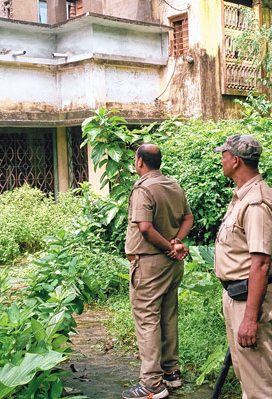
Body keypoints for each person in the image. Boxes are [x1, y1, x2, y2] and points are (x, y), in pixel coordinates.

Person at [121, 143, 194, 399]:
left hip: (150, 264)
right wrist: (176, 243)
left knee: (147, 319)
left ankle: (151, 383)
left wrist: (168, 247)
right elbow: (188, 218)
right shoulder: (173, 185)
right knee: (167, 315)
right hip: (171, 266)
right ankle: (171, 373)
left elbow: (144, 227)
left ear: (140, 161)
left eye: (135, 158)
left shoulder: (144, 188)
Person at [214, 134, 272, 399]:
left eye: (223, 155)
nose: (221, 160)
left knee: (260, 385)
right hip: (237, 294)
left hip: (249, 299)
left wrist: (250, 319)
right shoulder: (243, 196)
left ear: (235, 160)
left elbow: (261, 264)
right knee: (248, 379)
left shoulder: (256, 202)